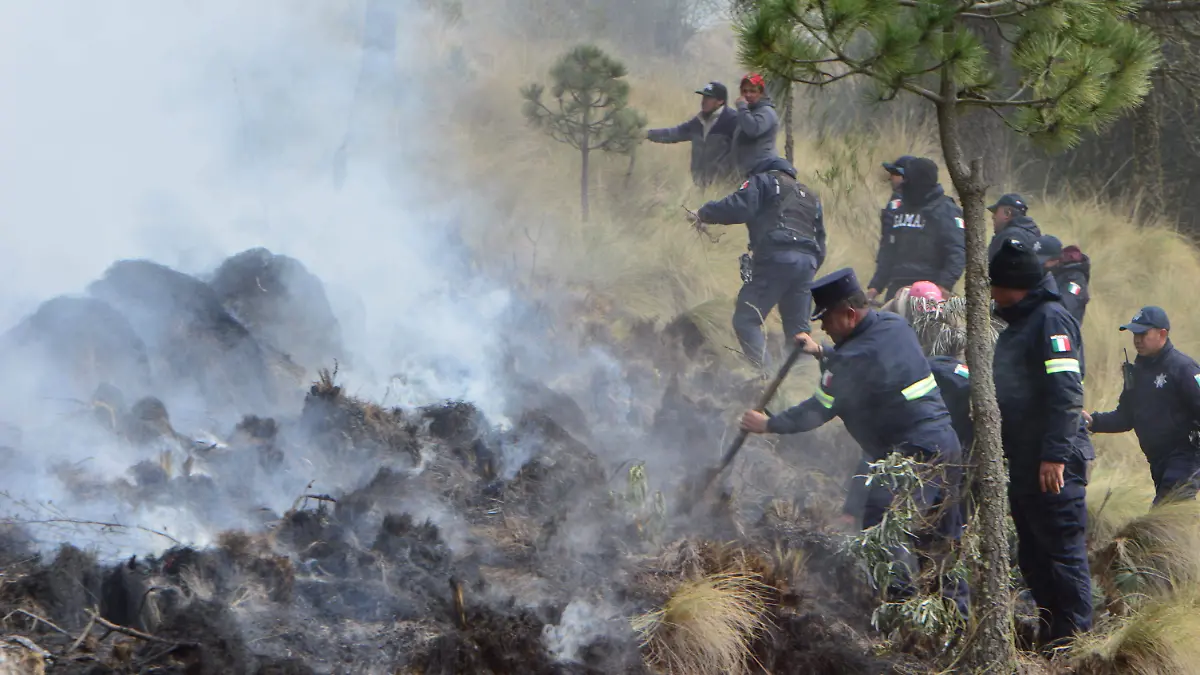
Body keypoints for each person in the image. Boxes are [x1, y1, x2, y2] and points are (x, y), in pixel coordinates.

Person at [740, 268, 967, 616]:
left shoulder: (849, 360)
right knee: (942, 538)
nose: (824, 327)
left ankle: (899, 609)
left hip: (911, 455)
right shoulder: (894, 327)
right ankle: (955, 617)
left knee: (883, 526)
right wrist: (822, 352)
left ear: (848, 313)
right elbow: (867, 360)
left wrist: (768, 423)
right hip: (945, 446)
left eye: (827, 319)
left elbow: (818, 410)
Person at [990, 239, 1093, 647]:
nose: (991, 294)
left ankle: (1076, 645)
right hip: (1026, 459)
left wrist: (1053, 456)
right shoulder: (1022, 321)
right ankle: (1052, 636)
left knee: (1063, 555)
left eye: (995, 285)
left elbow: (1066, 392)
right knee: (1033, 556)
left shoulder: (1051, 319)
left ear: (1013, 285)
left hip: (1055, 463)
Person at [694, 156, 826, 369]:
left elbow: (739, 206)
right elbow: (821, 241)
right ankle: (797, 384)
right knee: (799, 335)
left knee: (746, 320)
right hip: (807, 264)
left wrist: (704, 213)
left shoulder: (764, 180)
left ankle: (766, 378)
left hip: (777, 257)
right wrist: (804, 270)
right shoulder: (811, 197)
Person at [1084, 307, 1200, 504]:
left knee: (1162, 518)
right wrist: (1093, 421)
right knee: (1171, 521)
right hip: (1157, 460)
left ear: (1162, 333)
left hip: (1185, 456)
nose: (1137, 339)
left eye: (1143, 334)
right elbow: (1126, 417)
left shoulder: (1183, 368)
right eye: (1134, 334)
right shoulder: (1136, 372)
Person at [866, 158, 965, 303]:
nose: (904, 184)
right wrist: (875, 287)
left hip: (930, 288)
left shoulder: (946, 210)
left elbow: (957, 252)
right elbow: (888, 252)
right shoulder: (899, 209)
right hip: (897, 289)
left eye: (908, 179)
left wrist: (944, 285)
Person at [645, 81, 739, 188]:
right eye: (704, 97)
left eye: (709, 98)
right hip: (700, 184)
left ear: (720, 101)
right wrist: (647, 134)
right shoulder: (699, 121)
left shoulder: (733, 121)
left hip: (724, 186)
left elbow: (742, 153)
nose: (704, 101)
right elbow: (674, 133)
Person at [731, 73, 779, 176]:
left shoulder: (766, 112)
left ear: (761, 93)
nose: (748, 95)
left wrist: (742, 108)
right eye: (744, 91)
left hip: (762, 172)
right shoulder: (747, 113)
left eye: (753, 91)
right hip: (746, 173)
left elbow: (753, 130)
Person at [1037, 235, 1091, 325]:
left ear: (1056, 260)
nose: (1041, 265)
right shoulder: (1051, 271)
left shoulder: (1075, 282)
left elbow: (1063, 307)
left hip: (1061, 330)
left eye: (1044, 261)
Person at [987, 193, 1041, 260]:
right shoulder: (1034, 232)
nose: (993, 217)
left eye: (995, 212)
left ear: (1007, 213)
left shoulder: (1007, 236)